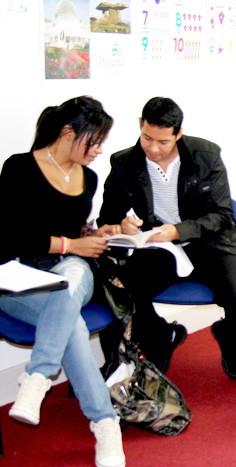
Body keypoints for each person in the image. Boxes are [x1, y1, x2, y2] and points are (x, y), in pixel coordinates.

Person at [97, 97, 236, 378]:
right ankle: (161, 338)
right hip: (160, 248)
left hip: (213, 243)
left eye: (163, 142)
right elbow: (106, 220)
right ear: (140, 125)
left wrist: (178, 230)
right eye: (147, 138)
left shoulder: (206, 155)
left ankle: (229, 339)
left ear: (178, 134)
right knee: (125, 287)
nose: (153, 148)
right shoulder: (124, 163)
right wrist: (120, 225)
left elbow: (222, 215)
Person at [0, 96, 126, 467]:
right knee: (70, 320)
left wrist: (97, 232)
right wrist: (73, 243)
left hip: (71, 268)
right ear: (68, 131)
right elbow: (9, 238)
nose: (99, 150)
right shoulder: (20, 168)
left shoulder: (89, 177)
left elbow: (71, 230)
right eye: (94, 140)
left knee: (71, 281)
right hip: (18, 273)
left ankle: (36, 379)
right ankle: (106, 424)